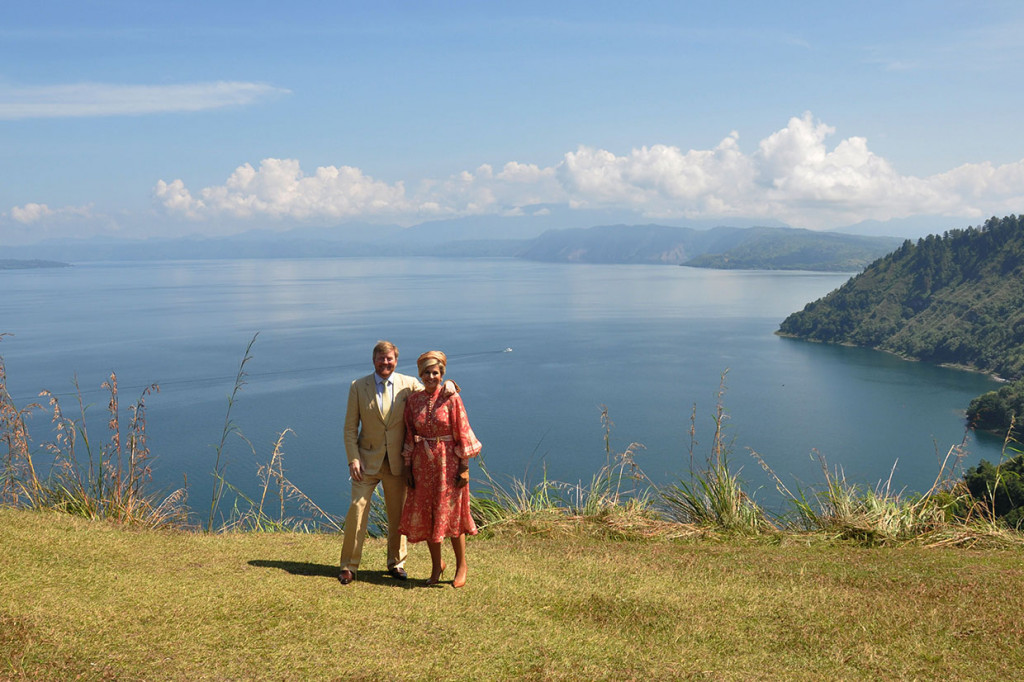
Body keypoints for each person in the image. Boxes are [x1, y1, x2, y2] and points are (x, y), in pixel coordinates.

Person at [339, 340, 455, 585]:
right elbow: (350, 428)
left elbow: (432, 387)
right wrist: (353, 459)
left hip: (398, 464)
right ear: (374, 360)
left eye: (390, 359)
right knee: (357, 511)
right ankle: (349, 566)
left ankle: (397, 563)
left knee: (397, 516)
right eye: (381, 359)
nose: (385, 363)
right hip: (366, 462)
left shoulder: (409, 385)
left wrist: (451, 385)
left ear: (396, 361)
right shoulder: (358, 387)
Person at [399, 350, 482, 588]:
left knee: (453, 516)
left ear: (442, 373)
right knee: (428, 515)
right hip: (422, 465)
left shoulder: (452, 398)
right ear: (420, 375)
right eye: (426, 373)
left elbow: (462, 431)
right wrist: (407, 467)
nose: (431, 377)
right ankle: (437, 566)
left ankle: (461, 565)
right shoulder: (413, 401)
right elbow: (408, 433)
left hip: (449, 464)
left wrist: (464, 468)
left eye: (435, 372)